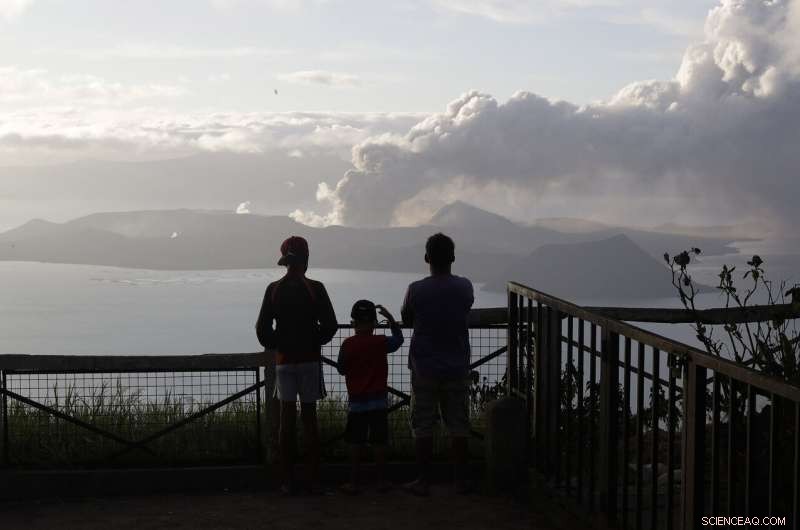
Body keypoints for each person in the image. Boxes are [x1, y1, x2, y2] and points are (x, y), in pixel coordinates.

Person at [256, 236, 337, 495]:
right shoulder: (315, 287)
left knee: (286, 421)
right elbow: (331, 325)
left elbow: (262, 329)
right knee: (310, 420)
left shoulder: (274, 289)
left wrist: (278, 344)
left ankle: (287, 482)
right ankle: (314, 480)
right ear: (306, 259)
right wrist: (314, 340)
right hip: (310, 361)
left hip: (284, 362)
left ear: (284, 260)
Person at [401, 233, 474, 496]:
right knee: (458, 425)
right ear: (453, 257)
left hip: (424, 367)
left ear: (426, 258)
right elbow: (465, 309)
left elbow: (407, 317)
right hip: (456, 365)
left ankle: (424, 480)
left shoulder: (416, 289)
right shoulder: (465, 287)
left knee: (422, 425)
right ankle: (460, 480)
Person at [336, 300, 404, 494]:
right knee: (379, 442)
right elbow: (398, 340)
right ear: (374, 322)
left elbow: (341, 369)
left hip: (357, 403)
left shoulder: (348, 344)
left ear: (353, 322)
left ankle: (354, 482)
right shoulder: (381, 342)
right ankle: (381, 480)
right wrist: (391, 320)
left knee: (355, 443)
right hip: (379, 403)